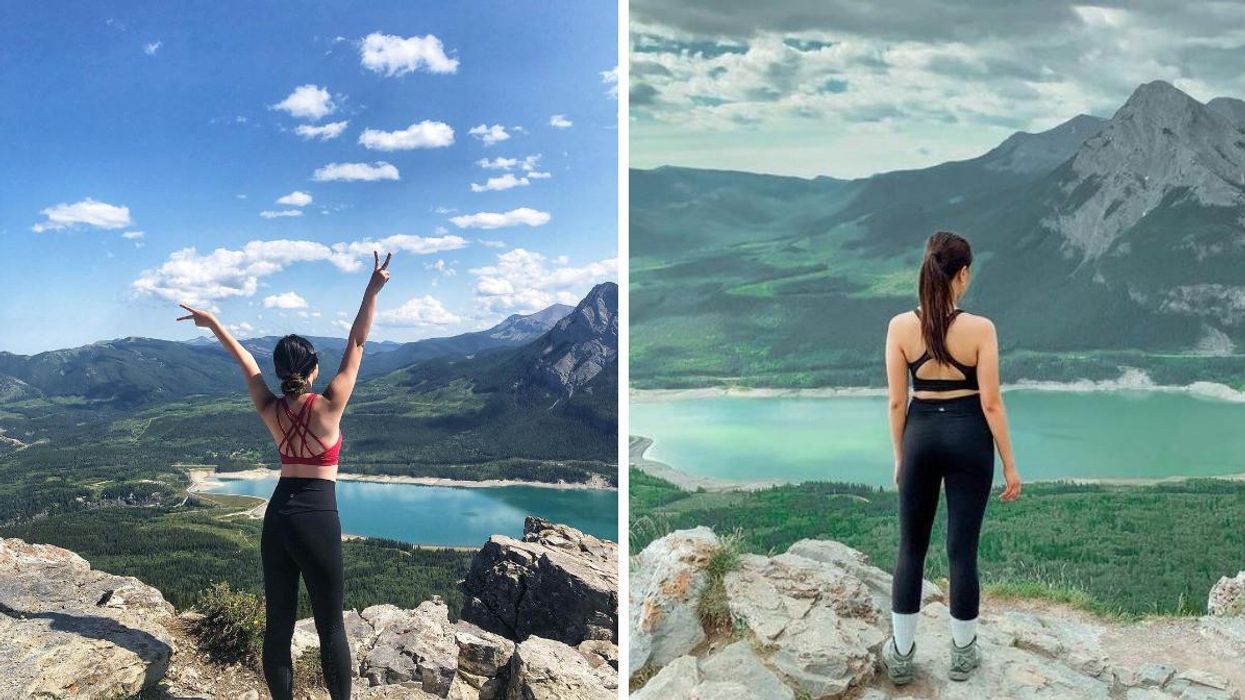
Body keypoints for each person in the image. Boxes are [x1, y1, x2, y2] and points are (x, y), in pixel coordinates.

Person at [177, 251, 393, 700]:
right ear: (312, 370)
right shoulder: (329, 402)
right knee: (331, 626)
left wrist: (214, 323)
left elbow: (246, 365)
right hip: (316, 516)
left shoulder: (269, 407)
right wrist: (371, 290)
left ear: (281, 373)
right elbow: (357, 344)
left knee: (278, 625)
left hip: (276, 516)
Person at [880, 232, 1021, 684]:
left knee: (911, 548)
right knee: (962, 551)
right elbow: (992, 403)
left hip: (921, 436)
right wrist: (1011, 467)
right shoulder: (981, 329)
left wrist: (901, 456)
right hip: (968, 439)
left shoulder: (900, 327)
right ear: (961, 275)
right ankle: (962, 653)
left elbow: (897, 404)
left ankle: (901, 655)